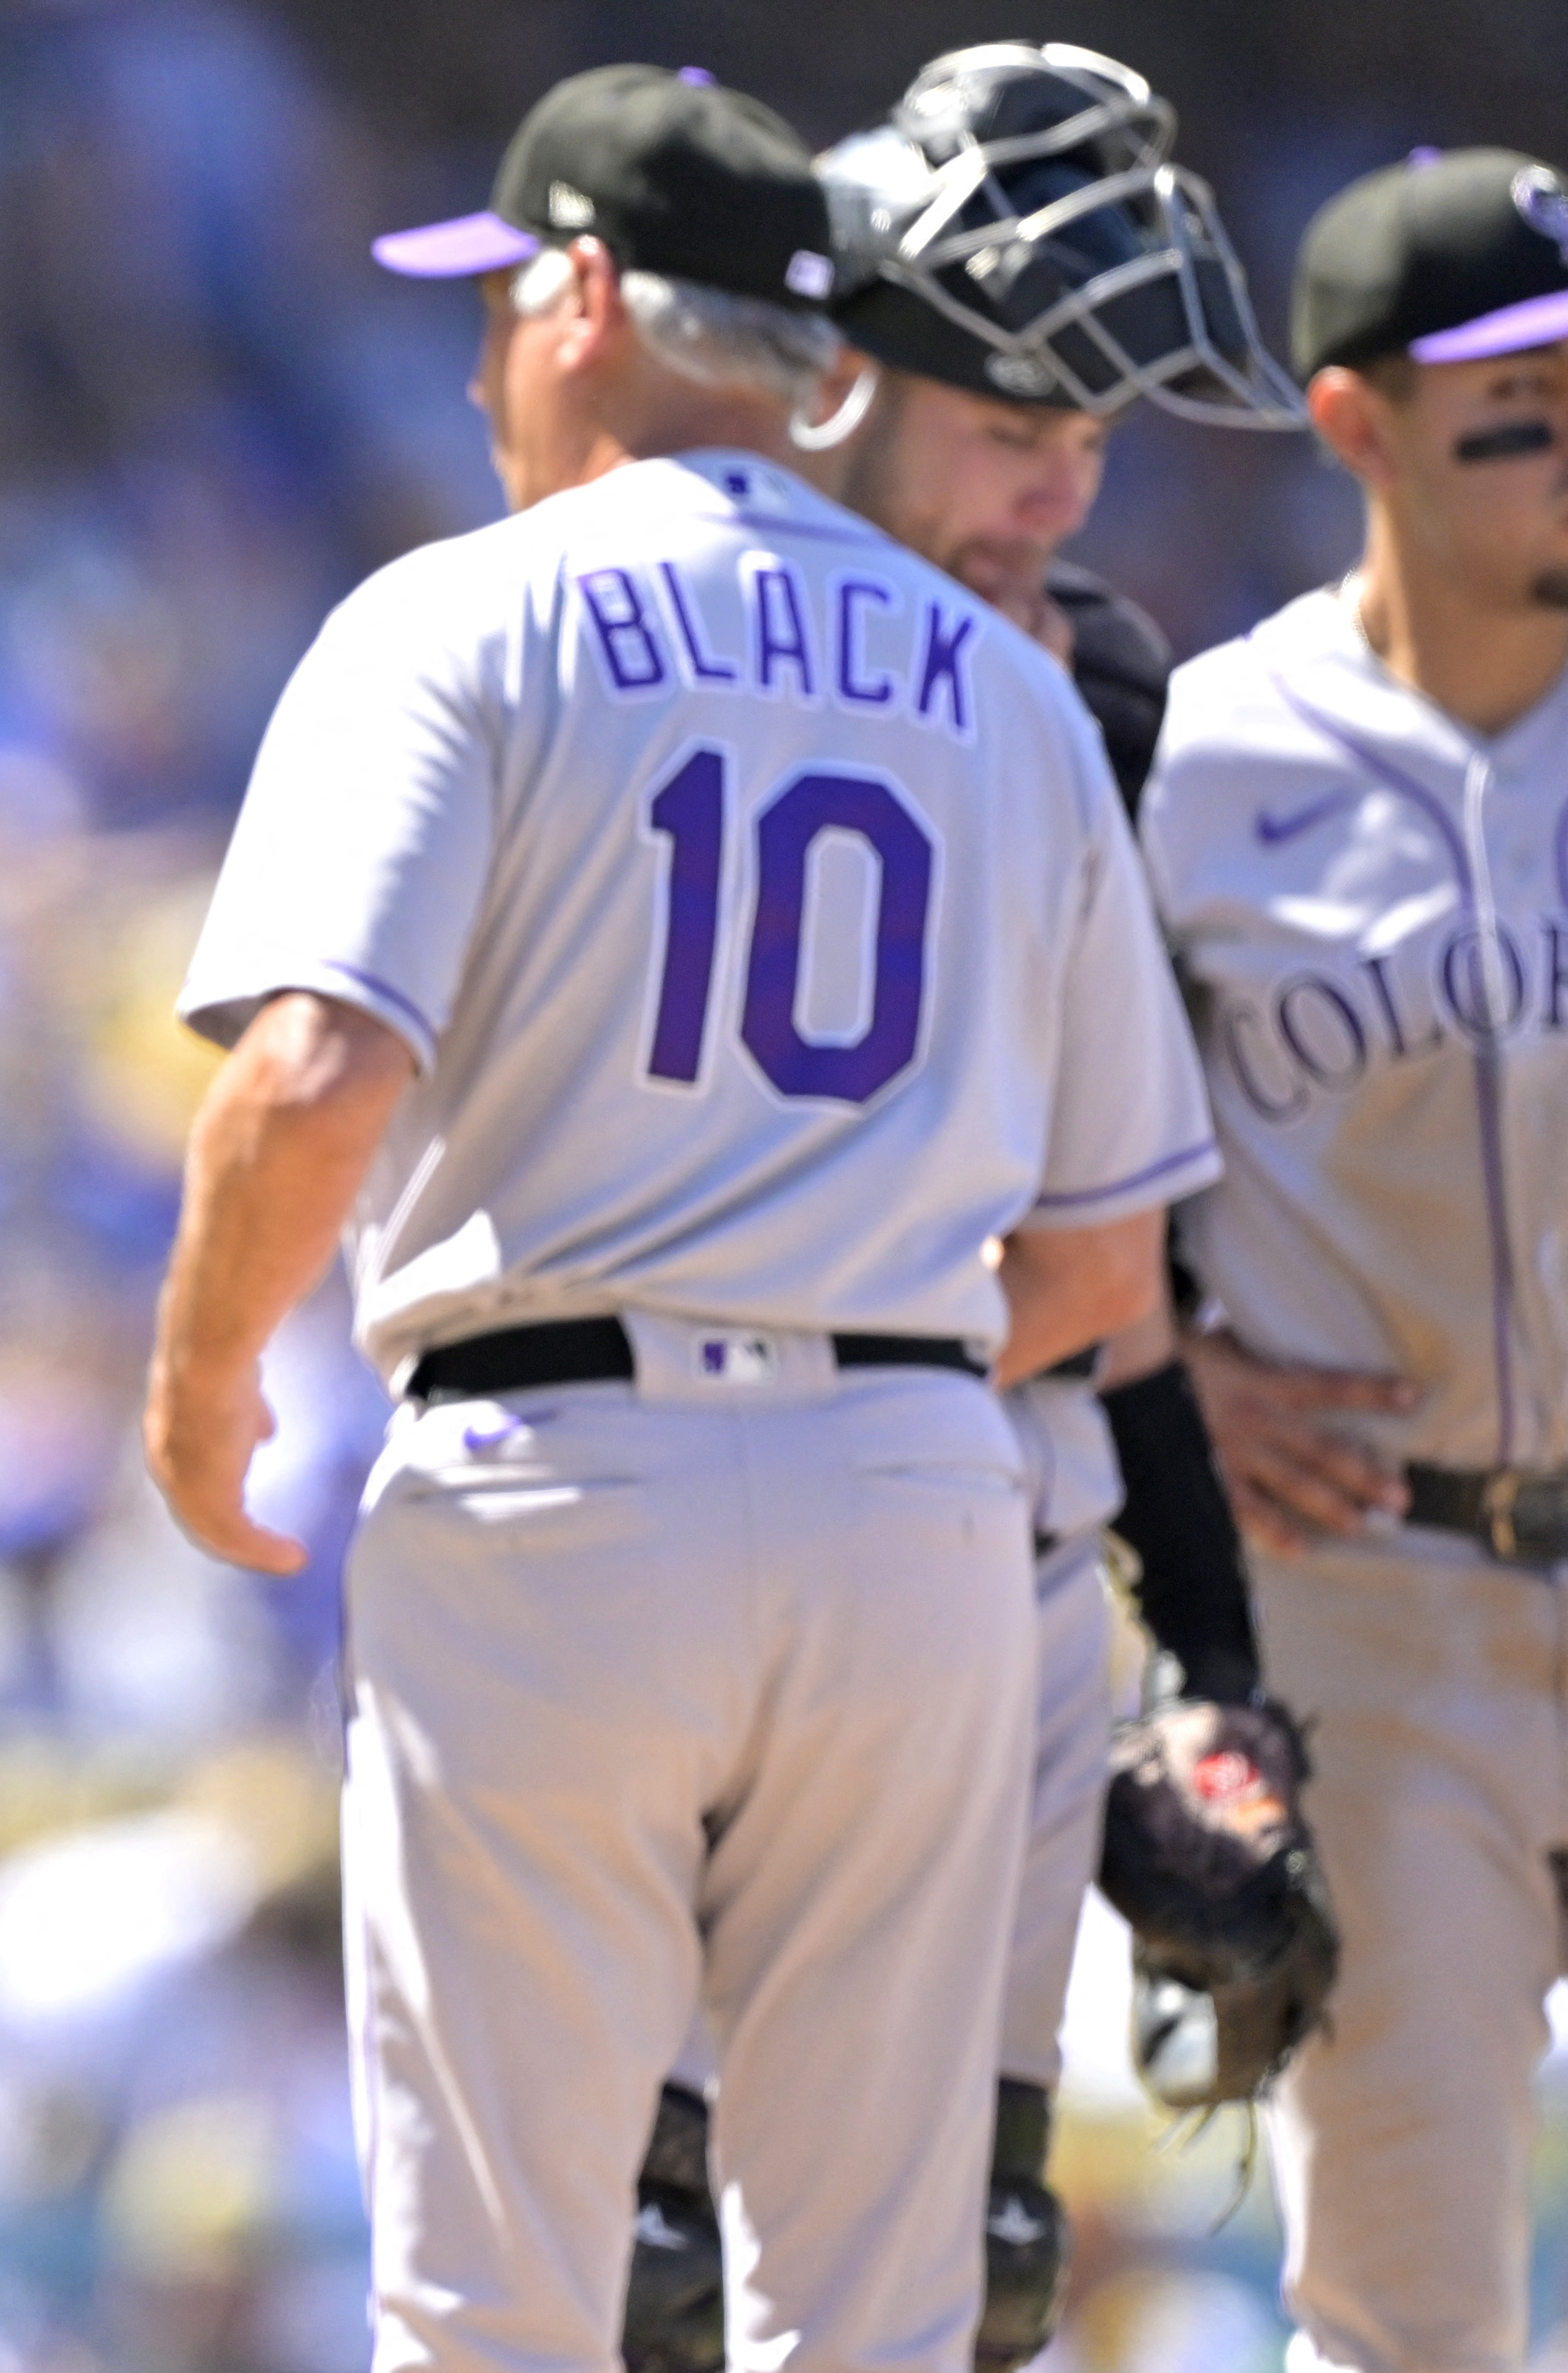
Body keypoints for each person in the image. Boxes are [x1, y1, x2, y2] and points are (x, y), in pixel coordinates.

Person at [144, 65, 1217, 2372]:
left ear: (593, 294)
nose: (476, 358)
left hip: (551, 1489)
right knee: (873, 2303)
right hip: (919, 1504)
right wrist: (839, 1352)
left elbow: (315, 1072)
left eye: (502, 299)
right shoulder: (1004, 686)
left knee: (508, 2292)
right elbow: (1105, 1268)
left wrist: (201, 1383)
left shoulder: (462, 618)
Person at [618, 46, 1308, 2373]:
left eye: (1093, 430)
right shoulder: (640, 640)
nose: (1059, 480)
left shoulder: (1100, 683)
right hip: (671, 1508)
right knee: (644, 2265)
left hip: (991, 1517)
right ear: (837, 382)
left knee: (979, 2274)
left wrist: (1216, 1667)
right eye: (1015, 414)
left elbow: (1140, 1256)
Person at [1145, 142, 1568, 2373]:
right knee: (1408, 2315)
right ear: (1355, 422)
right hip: (1384, 1609)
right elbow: (1045, 1171)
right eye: (1527, 389)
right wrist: (1169, 1366)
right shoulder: (1197, 761)